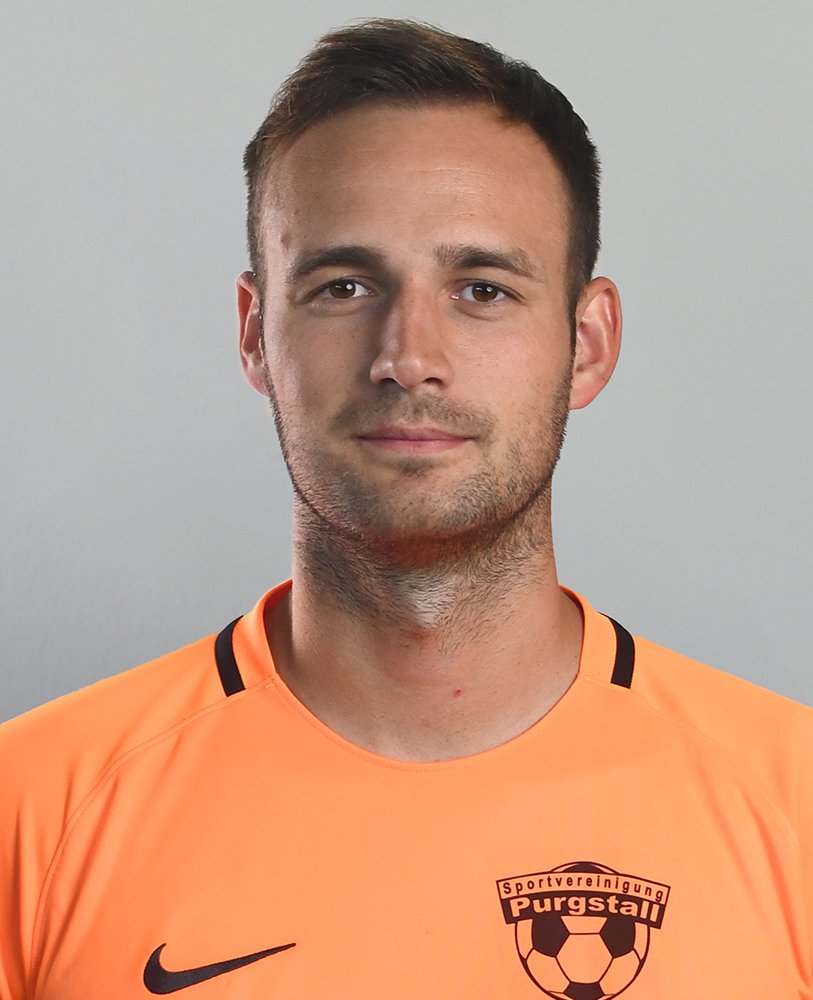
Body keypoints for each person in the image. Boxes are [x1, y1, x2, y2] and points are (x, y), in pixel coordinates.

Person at [1, 17, 811, 1000]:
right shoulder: (30, 809)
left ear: (588, 343)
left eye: (483, 289)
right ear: (255, 335)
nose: (407, 356)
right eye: (343, 286)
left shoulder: (793, 807)